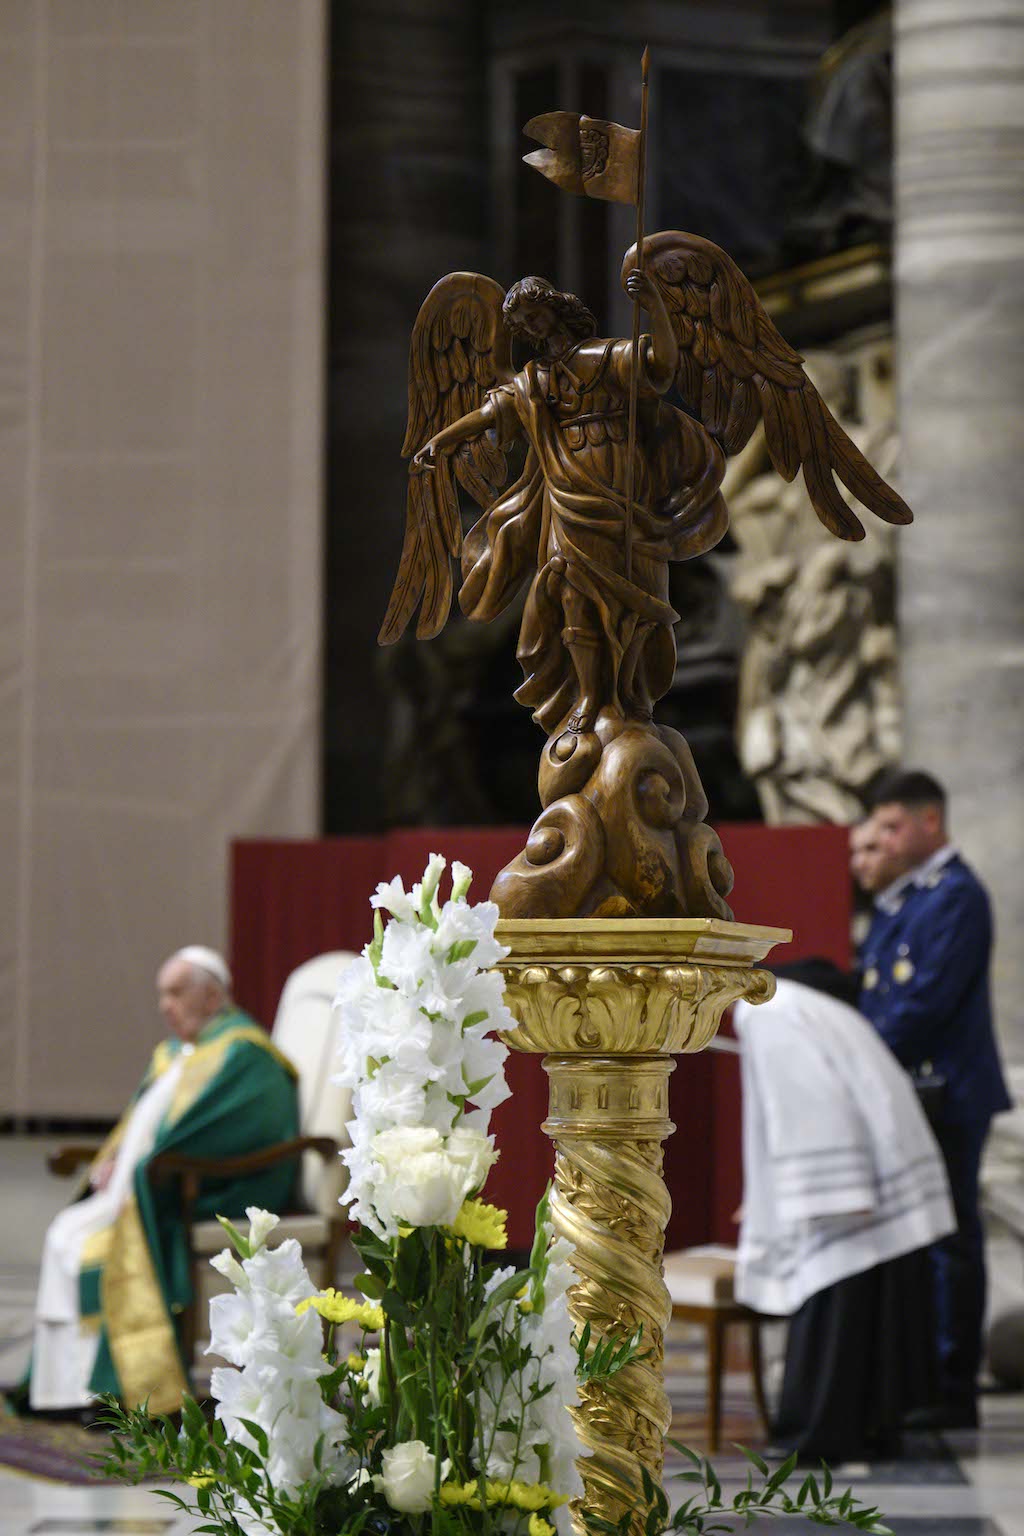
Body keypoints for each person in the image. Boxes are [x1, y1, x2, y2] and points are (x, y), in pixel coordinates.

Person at [416, 269, 729, 737]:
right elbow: (494, 410)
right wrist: (442, 441)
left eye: (535, 314)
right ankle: (589, 695)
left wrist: (654, 306)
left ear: (555, 308)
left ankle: (630, 696)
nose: (533, 325)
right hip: (566, 494)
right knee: (569, 589)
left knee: (633, 598)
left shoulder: (607, 357)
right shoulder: (536, 379)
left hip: (621, 490)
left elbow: (662, 367)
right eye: (524, 322)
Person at [26, 946, 299, 1416]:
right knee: (64, 1235)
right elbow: (141, 1126)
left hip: (198, 1190)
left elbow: (241, 1130)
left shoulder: (245, 1054)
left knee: (89, 1247)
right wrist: (113, 1159)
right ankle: (62, 1392)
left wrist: (150, 1173)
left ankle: (124, 1393)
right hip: (140, 1189)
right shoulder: (173, 1054)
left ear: (211, 998)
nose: (164, 1006)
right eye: (162, 994)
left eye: (175, 993)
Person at [734, 966, 955, 1463]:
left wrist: (832, 1190)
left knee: (833, 1301)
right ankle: (871, 1427)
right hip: (877, 1162)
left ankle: (818, 1436)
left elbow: (809, 1103)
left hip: (847, 1178)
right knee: (868, 1308)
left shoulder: (765, 1009)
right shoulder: (792, 1001)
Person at [859, 769, 1012, 1428]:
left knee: (951, 1240)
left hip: (948, 1091)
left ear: (931, 821)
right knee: (922, 1239)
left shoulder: (955, 894)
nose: (886, 841)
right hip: (916, 1089)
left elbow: (925, 1001)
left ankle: (953, 1385)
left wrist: (860, 1053)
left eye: (895, 827)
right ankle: (918, 1376)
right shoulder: (906, 899)